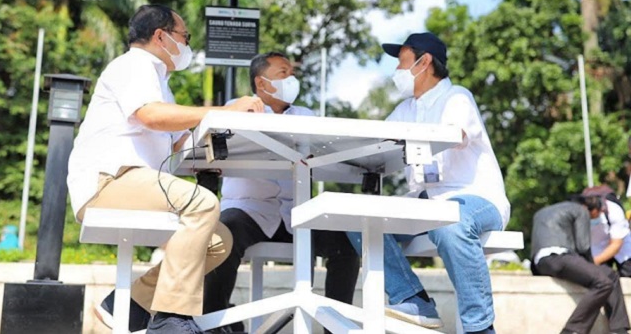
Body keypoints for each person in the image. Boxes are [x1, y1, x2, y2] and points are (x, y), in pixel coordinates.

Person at [67, 4, 264, 333]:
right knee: (202, 203)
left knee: (220, 240)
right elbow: (152, 116)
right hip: (109, 180)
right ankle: (172, 320)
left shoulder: (160, 81)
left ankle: (130, 304)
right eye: (184, 36)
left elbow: (179, 144)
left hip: (133, 180)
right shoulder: (135, 64)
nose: (187, 45)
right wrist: (220, 111)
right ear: (160, 36)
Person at [203, 53, 360, 331]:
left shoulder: (306, 116)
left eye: (292, 72)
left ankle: (335, 329)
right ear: (261, 83)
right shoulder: (234, 109)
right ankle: (212, 322)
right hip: (248, 211)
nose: (291, 79)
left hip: (295, 213)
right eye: (283, 73)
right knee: (223, 234)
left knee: (345, 247)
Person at [378, 33, 510, 334]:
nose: (396, 71)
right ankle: (412, 298)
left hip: (475, 197)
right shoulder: (406, 109)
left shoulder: (457, 97)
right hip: (426, 202)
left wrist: (407, 139)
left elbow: (455, 134)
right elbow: (375, 142)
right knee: (356, 219)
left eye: (402, 63)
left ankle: (480, 328)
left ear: (424, 62)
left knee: (449, 222)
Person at [531, 197, 630, 334]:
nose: (597, 217)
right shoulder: (581, 210)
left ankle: (619, 329)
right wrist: (591, 266)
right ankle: (572, 330)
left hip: (541, 262)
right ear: (589, 208)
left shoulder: (542, 212)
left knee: (610, 274)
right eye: (598, 213)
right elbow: (583, 247)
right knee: (603, 283)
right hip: (560, 257)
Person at [583, 188, 631, 277]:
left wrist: (595, 261)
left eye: (595, 215)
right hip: (598, 248)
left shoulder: (614, 210)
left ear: (600, 209)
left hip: (621, 247)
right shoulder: (578, 213)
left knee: (628, 273)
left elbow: (616, 245)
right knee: (599, 277)